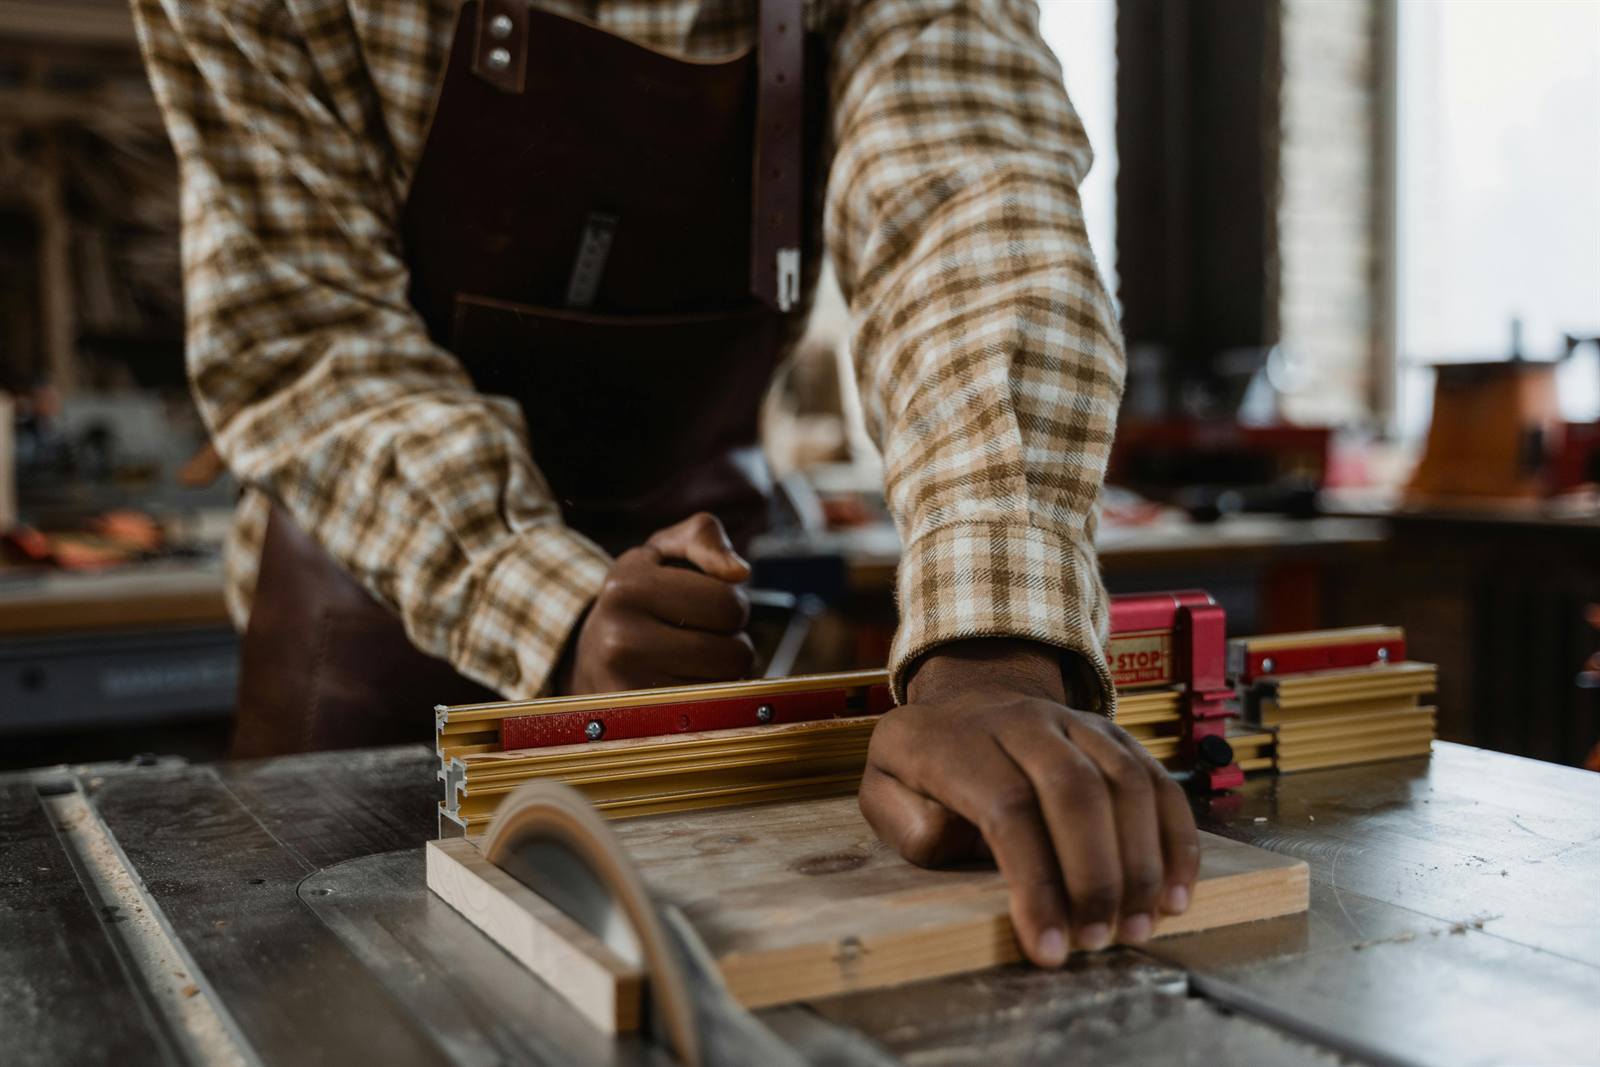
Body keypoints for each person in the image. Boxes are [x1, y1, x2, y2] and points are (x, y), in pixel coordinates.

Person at [132, 0, 1198, 967]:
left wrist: (989, 648)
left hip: (699, 630)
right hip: (377, 617)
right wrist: (558, 608)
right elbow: (308, 337)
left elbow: (964, 203)